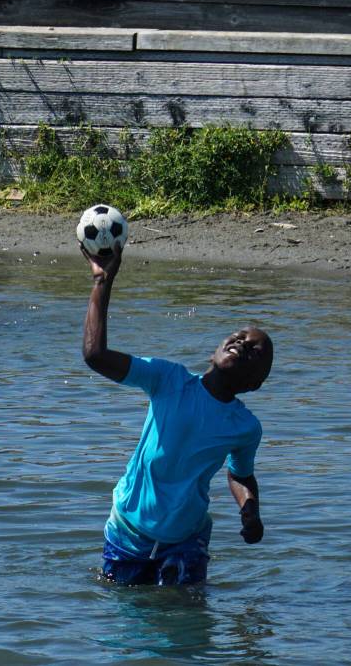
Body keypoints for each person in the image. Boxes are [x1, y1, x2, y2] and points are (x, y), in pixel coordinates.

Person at [81, 242, 273, 585]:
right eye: (238, 336)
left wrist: (250, 510)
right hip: (129, 531)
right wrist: (102, 282)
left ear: (256, 384)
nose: (243, 342)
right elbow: (96, 355)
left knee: (188, 620)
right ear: (212, 353)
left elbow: (240, 474)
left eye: (256, 350)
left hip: (187, 540)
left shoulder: (245, 427)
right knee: (125, 616)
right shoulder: (169, 380)